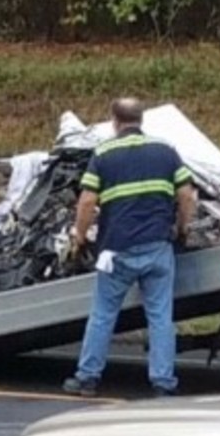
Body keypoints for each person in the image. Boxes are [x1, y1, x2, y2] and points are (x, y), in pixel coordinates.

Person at [63, 97, 196, 398]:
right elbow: (187, 195)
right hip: (157, 247)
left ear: (114, 120)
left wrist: (79, 236)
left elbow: (86, 201)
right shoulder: (165, 150)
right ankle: (163, 382)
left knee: (103, 314)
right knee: (161, 317)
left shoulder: (104, 154)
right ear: (141, 120)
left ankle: (87, 378)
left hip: (117, 250)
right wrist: (182, 228)